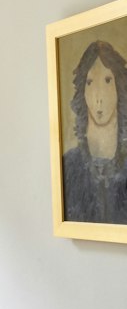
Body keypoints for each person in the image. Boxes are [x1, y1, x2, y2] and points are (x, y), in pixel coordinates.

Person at [63, 39, 127, 222]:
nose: (99, 97)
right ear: (82, 91)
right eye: (90, 82)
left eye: (108, 80)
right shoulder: (69, 165)